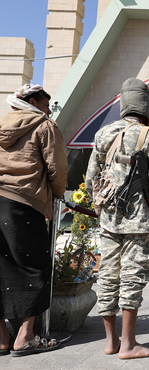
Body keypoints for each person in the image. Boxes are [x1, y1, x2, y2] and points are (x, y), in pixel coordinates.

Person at [86, 78, 149, 359]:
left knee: (108, 278)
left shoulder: (103, 134)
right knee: (132, 279)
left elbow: (90, 181)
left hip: (109, 221)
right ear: (146, 105)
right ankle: (129, 344)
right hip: (139, 223)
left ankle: (111, 342)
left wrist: (102, 210)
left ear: (123, 103)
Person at [0, 84, 67, 357]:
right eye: (46, 103)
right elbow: (57, 167)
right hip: (25, 203)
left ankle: (2, 338)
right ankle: (25, 337)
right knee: (33, 266)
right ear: (32, 101)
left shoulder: (2, 123)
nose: (49, 109)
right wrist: (58, 194)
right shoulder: (45, 126)